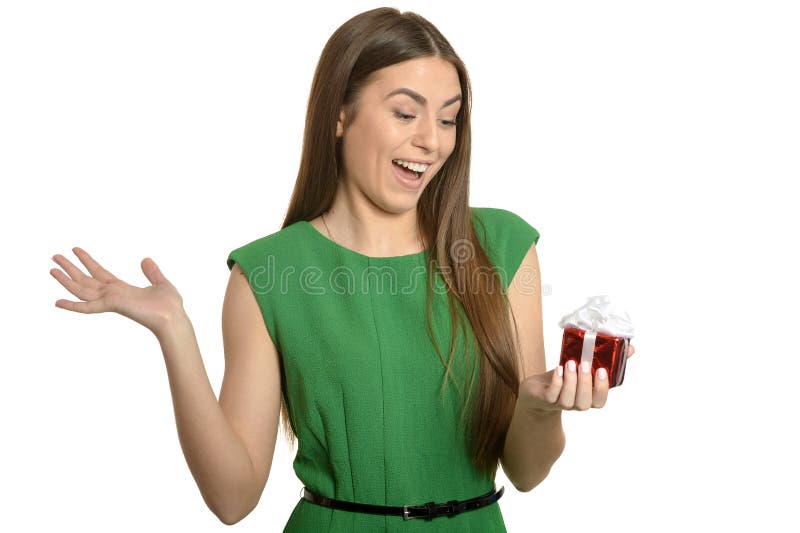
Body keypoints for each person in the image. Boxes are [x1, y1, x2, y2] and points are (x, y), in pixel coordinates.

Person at [50, 7, 635, 532]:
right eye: (406, 112)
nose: (431, 140)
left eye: (449, 119)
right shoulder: (268, 273)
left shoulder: (503, 247)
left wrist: (540, 408)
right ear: (339, 115)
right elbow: (232, 500)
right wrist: (175, 329)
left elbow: (528, 473)